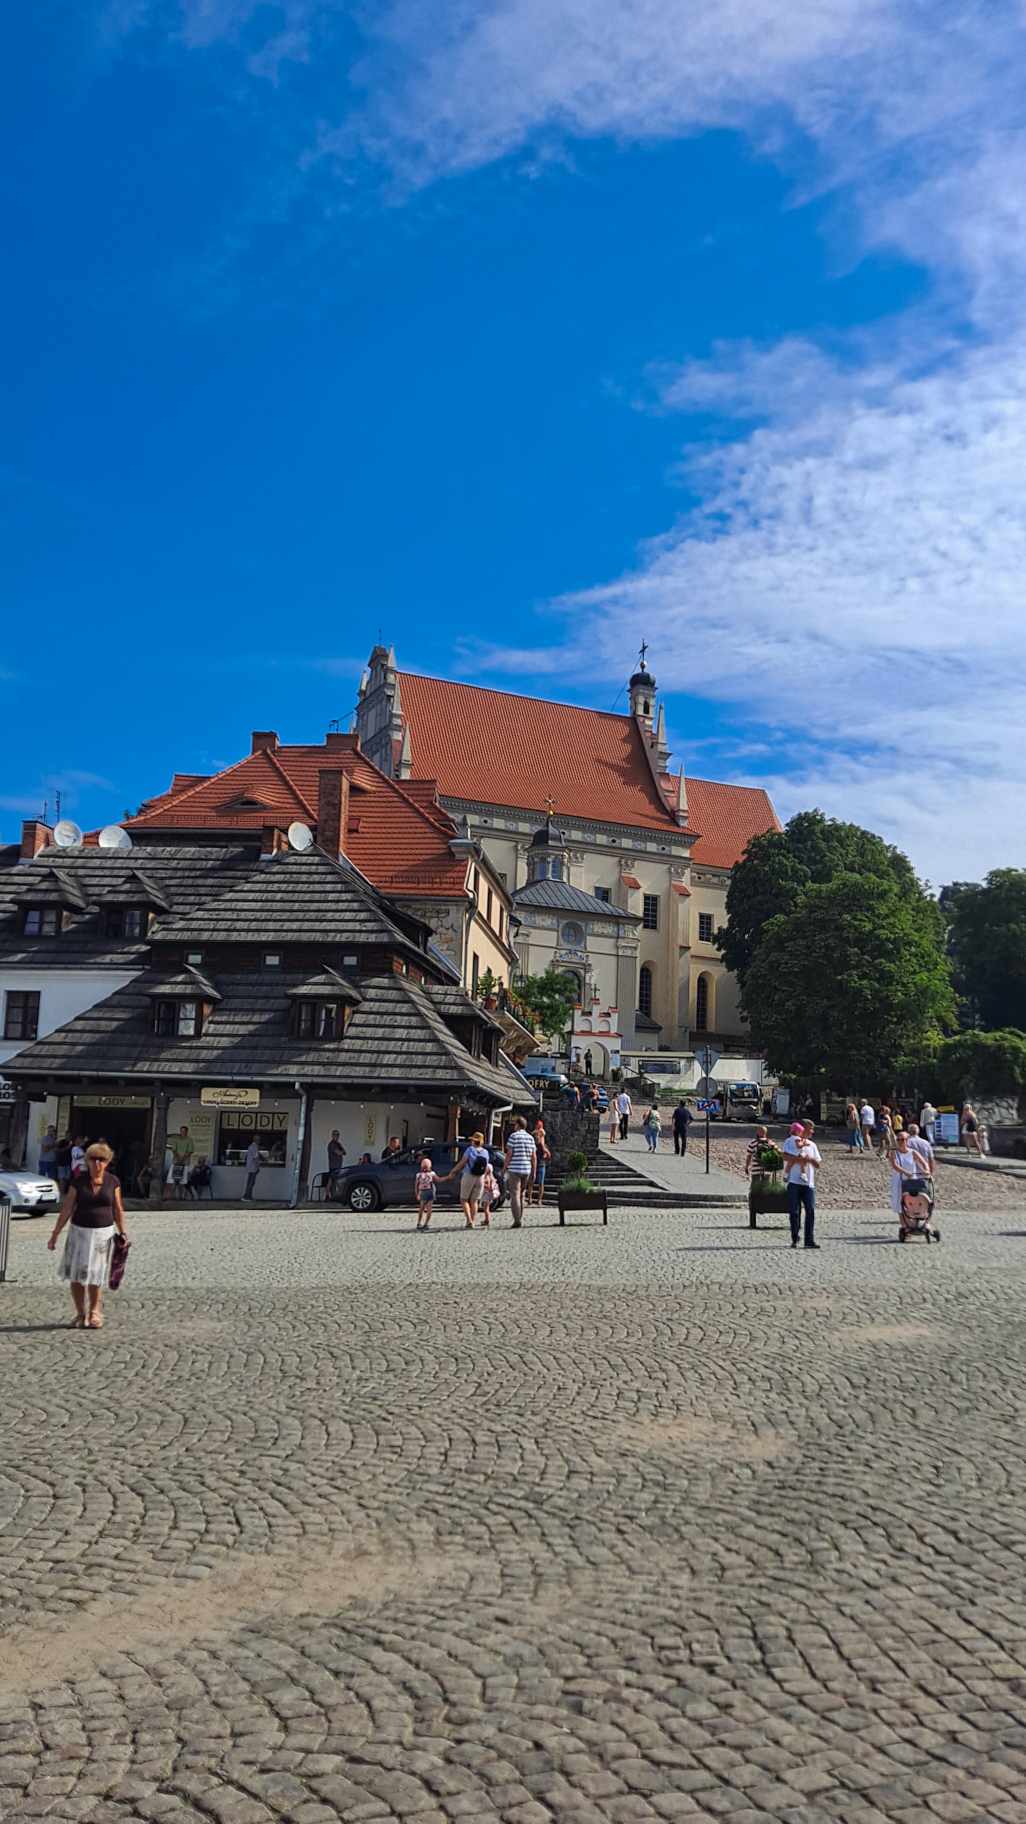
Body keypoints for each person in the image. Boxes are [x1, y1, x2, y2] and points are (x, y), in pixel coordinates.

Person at [47, 1141, 128, 1330]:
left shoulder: (112, 1181)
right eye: (93, 1159)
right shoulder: (79, 1181)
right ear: (87, 1161)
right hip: (79, 1232)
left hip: (103, 1234)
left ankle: (94, 1312)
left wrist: (123, 1232)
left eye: (102, 1160)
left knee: (95, 1274)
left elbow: (118, 1209)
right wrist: (55, 1234)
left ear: (107, 1162)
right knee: (76, 1274)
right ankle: (80, 1312)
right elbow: (67, 1208)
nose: (97, 1163)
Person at [782, 1120, 821, 1250]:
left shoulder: (812, 1145)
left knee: (810, 1210)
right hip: (794, 1182)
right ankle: (795, 1237)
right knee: (794, 1211)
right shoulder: (790, 1141)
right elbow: (785, 1156)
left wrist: (810, 1160)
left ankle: (809, 1240)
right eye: (810, 1129)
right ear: (802, 1129)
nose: (812, 1132)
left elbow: (817, 1164)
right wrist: (803, 1159)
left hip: (808, 1183)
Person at [445, 1130, 491, 1228]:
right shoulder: (485, 1152)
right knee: (474, 1201)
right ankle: (473, 1221)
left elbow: (463, 1162)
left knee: (464, 1199)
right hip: (480, 1177)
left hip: (469, 1175)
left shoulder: (470, 1150)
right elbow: (486, 1167)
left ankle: (469, 1220)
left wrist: (453, 1171)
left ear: (473, 1141)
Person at [503, 1118, 536, 1228]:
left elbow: (509, 1154)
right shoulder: (530, 1138)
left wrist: (504, 1168)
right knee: (522, 1194)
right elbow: (533, 1157)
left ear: (517, 1125)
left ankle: (517, 1220)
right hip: (526, 1169)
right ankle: (520, 1217)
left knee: (515, 1194)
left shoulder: (514, 1136)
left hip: (515, 1169)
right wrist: (534, 1172)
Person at [905, 1123, 935, 1202]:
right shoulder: (926, 1143)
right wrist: (931, 1173)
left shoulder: (906, 1143)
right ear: (918, 1131)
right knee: (924, 1197)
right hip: (924, 1173)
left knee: (909, 1198)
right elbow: (931, 1159)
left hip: (910, 1173)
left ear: (908, 1131)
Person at [165, 1125, 194, 1201]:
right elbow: (174, 1150)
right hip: (175, 1162)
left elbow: (190, 1151)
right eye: (181, 1131)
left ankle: (181, 1197)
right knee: (172, 1179)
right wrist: (178, 1157)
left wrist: (183, 1158)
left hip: (185, 1163)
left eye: (184, 1131)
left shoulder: (189, 1140)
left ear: (187, 1132)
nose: (182, 1132)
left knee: (183, 1181)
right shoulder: (176, 1139)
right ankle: (171, 1196)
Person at [414, 1156, 438, 1230]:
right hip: (430, 1191)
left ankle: (419, 1223)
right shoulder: (432, 1174)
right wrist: (447, 1177)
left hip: (423, 1191)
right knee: (429, 1208)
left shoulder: (418, 1175)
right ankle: (426, 1223)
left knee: (422, 1208)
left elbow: (416, 1185)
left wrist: (417, 1193)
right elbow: (438, 1179)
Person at [530, 1119, 550, 1204]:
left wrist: (545, 1152)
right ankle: (530, 1199)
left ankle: (539, 1200)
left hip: (541, 1164)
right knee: (531, 1182)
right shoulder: (532, 1144)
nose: (539, 1136)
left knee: (541, 1183)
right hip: (533, 1164)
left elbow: (548, 1155)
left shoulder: (544, 1145)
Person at [477, 1159, 499, 1227]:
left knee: (486, 1208)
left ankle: (487, 1220)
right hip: (489, 1194)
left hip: (486, 1194)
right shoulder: (491, 1177)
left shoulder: (486, 1178)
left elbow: (488, 1186)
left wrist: (483, 1185)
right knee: (486, 1207)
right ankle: (486, 1220)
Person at [242, 1134, 261, 1200]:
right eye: (258, 1139)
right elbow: (255, 1158)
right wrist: (258, 1167)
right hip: (253, 1167)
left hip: (250, 1167)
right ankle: (246, 1196)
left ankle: (248, 1196)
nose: (259, 1141)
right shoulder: (254, 1147)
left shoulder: (251, 1146)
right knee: (251, 1182)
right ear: (256, 1140)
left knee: (250, 1182)